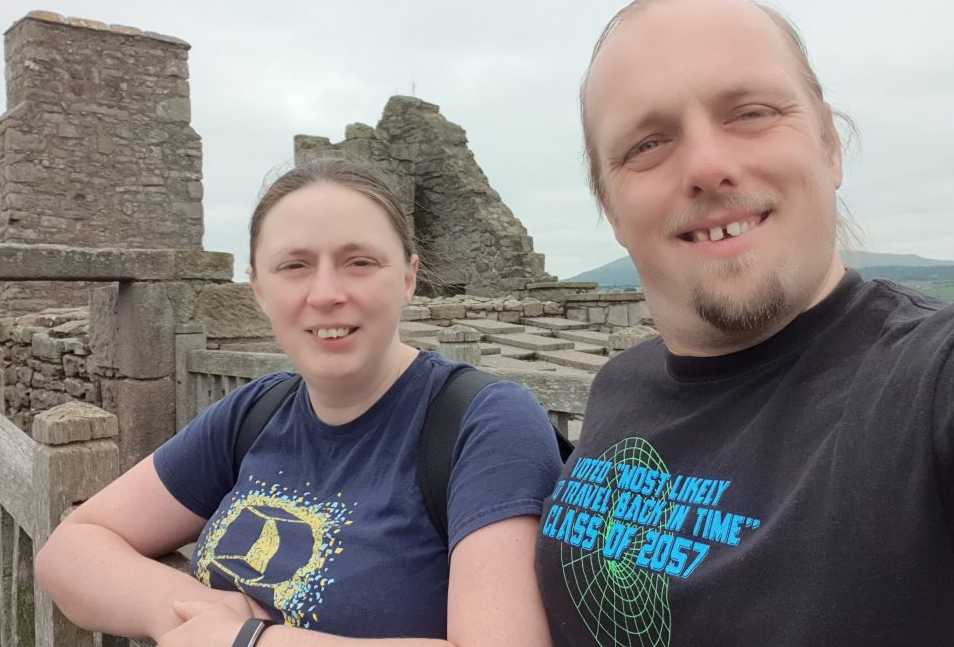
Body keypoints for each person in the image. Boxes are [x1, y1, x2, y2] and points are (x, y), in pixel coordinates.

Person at [534, 0, 954, 645]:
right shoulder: (621, 385)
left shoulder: (947, 381)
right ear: (611, 209)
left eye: (750, 112)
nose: (708, 165)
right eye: (646, 144)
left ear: (829, 147)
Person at [36, 157, 562, 646]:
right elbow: (70, 550)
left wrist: (249, 641)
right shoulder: (255, 412)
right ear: (259, 288)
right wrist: (205, 611)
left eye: (359, 261)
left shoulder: (487, 422)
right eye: (294, 265)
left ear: (407, 277)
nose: (326, 292)